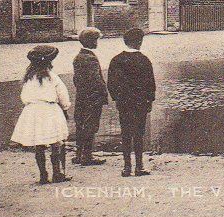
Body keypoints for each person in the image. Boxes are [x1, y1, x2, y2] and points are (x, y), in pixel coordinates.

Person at [10, 45, 72, 184]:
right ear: (49, 62)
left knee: (39, 143)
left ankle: (43, 175)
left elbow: (24, 96)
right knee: (56, 142)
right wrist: (65, 107)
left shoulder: (28, 78)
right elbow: (63, 96)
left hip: (33, 112)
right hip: (50, 111)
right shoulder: (53, 78)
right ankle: (57, 173)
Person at [107, 28, 155, 177]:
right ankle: (139, 166)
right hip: (140, 103)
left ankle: (126, 167)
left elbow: (111, 84)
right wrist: (149, 100)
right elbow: (151, 84)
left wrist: (117, 98)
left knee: (126, 134)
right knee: (139, 134)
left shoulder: (116, 60)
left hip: (124, 104)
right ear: (139, 42)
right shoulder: (144, 60)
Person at [72, 27, 108, 166]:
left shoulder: (79, 57)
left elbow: (76, 79)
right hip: (92, 97)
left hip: (81, 96)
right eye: (96, 39)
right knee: (90, 126)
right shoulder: (90, 58)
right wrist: (103, 93)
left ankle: (79, 154)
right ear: (91, 41)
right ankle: (87, 156)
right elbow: (96, 79)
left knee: (80, 123)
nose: (97, 42)